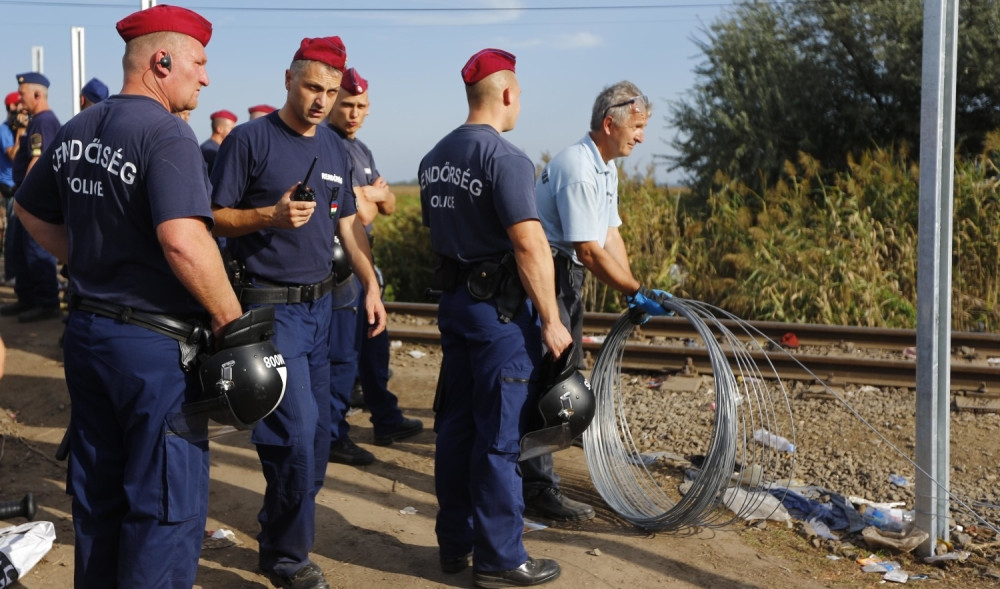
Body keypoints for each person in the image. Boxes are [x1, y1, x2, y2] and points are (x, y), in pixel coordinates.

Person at [11, 5, 245, 586]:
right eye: (198, 62)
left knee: (100, 501)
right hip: (153, 351)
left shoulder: (77, 129)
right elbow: (184, 240)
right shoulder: (167, 132)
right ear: (162, 61)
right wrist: (231, 320)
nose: (206, 77)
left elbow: (28, 210)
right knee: (163, 510)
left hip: (89, 336)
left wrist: (92, 261)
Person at [210, 36, 386, 589]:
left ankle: (279, 530)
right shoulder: (250, 140)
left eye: (331, 92)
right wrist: (270, 216)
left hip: (322, 311)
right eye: (312, 87)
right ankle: (288, 559)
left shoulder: (334, 148)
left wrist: (371, 284)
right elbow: (212, 216)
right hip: (270, 312)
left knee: (317, 438)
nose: (321, 101)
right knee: (294, 434)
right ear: (288, 78)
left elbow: (347, 223)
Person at [419, 48, 571, 588]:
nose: (520, 102)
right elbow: (529, 244)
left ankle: (455, 544)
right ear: (507, 93)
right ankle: (502, 560)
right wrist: (551, 319)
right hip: (500, 317)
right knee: (499, 438)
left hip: (456, 307)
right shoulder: (506, 158)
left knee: (456, 429)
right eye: (520, 93)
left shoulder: (433, 158)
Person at [325, 67, 421, 466]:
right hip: (341, 266)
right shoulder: (329, 144)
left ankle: (386, 419)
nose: (353, 113)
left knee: (374, 348)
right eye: (347, 104)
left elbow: (391, 204)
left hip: (365, 263)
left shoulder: (361, 148)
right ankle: (334, 436)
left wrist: (372, 194)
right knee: (343, 356)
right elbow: (362, 214)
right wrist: (371, 195)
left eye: (361, 106)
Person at [1, 72, 61, 323]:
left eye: (22, 94)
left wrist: (25, 196)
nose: (19, 99)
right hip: (25, 196)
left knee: (36, 251)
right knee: (21, 250)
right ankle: (27, 298)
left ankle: (47, 302)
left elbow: (36, 161)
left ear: (37, 94)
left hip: (34, 199)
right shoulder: (35, 122)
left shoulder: (44, 122)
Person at [200, 108, 236, 173]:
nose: (234, 132)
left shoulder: (218, 148)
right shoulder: (209, 150)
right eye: (231, 128)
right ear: (219, 129)